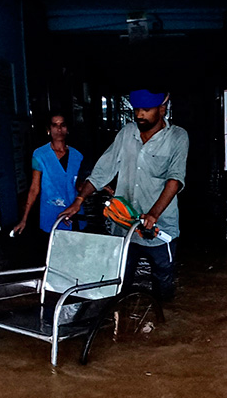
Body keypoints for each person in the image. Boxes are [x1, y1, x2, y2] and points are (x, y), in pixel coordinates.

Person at [58, 89, 188, 301]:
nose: (139, 115)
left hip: (160, 227)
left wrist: (153, 214)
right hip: (124, 224)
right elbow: (102, 172)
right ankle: (120, 322)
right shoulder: (127, 133)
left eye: (146, 110)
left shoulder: (177, 137)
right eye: (136, 109)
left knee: (163, 280)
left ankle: (164, 323)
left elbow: (175, 180)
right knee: (119, 280)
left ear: (162, 109)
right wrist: (79, 201)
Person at [14, 112, 84, 235]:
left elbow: (78, 185)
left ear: (67, 129)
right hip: (52, 213)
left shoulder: (77, 156)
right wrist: (24, 219)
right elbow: (34, 188)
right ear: (49, 130)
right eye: (54, 125)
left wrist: (99, 185)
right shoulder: (40, 155)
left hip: (74, 213)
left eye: (62, 125)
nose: (59, 129)